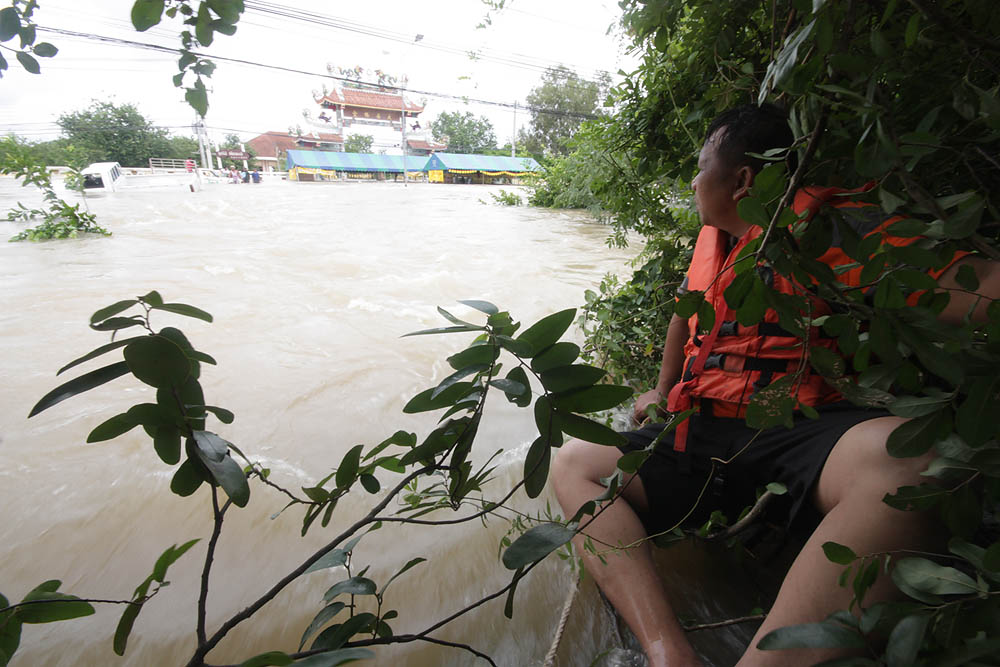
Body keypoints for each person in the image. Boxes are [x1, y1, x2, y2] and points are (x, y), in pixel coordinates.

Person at [551, 103, 1000, 667]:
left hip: (800, 431)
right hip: (703, 432)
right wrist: (661, 391)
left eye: (701, 167)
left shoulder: (835, 230)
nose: (692, 182)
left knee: (915, 463)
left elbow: (979, 285)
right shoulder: (712, 243)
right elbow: (680, 320)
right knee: (573, 464)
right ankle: (669, 653)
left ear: (740, 181)